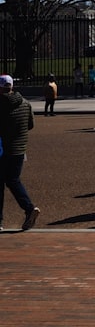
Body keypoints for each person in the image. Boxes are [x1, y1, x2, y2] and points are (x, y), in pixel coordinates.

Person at [0, 74, 40, 231]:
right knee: (13, 180)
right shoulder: (24, 103)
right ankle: (29, 208)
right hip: (19, 149)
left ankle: (1, 220)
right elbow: (30, 125)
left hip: (3, 148)